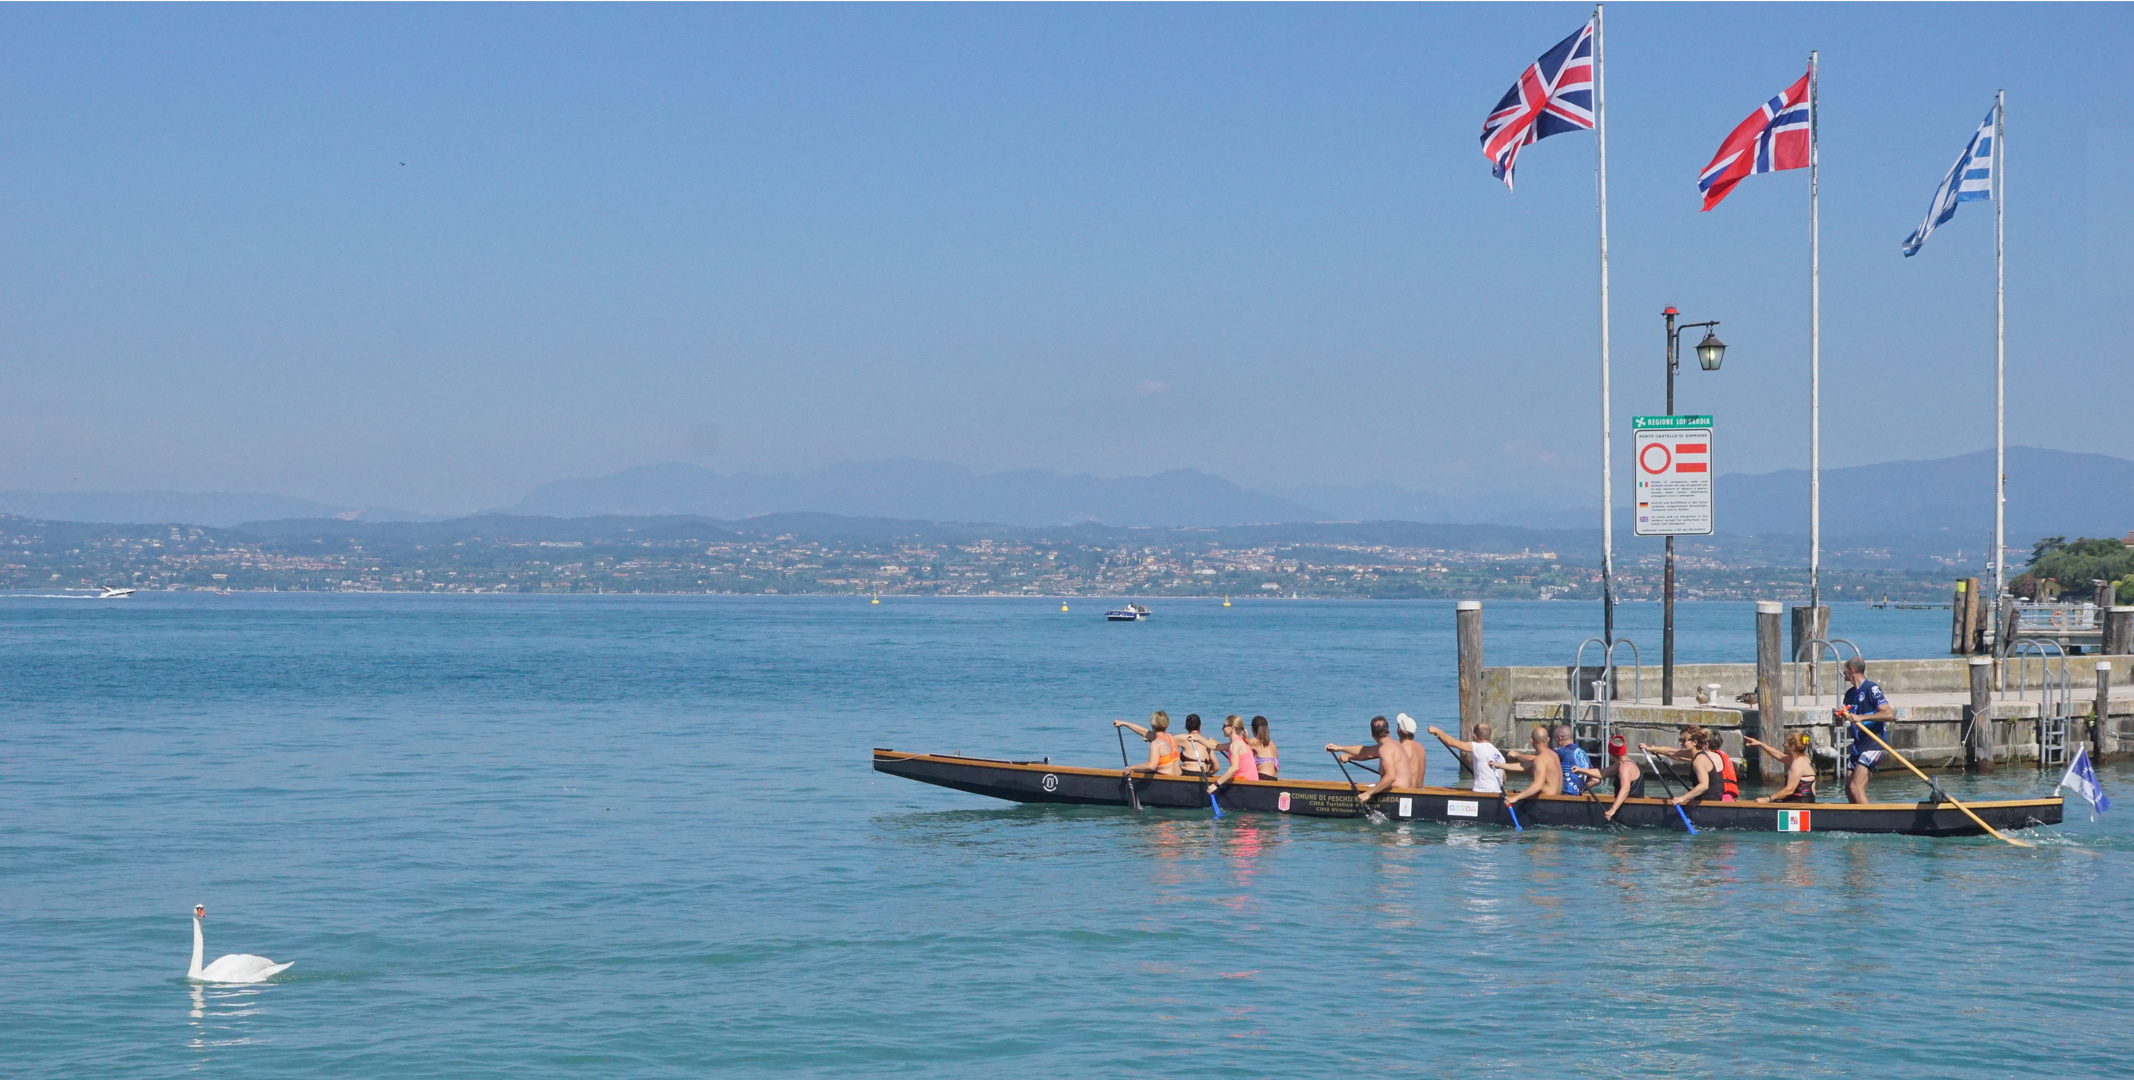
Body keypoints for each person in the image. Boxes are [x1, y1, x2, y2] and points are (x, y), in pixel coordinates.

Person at [1835, 656, 1894, 805]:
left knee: (1856, 787)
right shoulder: (1849, 694)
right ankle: (1855, 817)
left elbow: (1888, 714)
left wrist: (1860, 717)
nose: (1844, 673)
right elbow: (1840, 722)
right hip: (1858, 746)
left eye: (1845, 670)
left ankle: (1872, 820)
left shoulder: (1871, 689)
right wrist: (1839, 716)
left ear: (1852, 670)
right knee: (1849, 788)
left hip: (1874, 745)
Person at [1327, 716, 1416, 806]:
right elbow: (1365, 751)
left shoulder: (1385, 749)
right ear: (1388, 732)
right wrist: (1339, 748)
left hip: (1398, 796)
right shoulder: (1394, 744)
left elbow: (1391, 776)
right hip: (1407, 792)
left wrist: (1368, 794)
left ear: (1372, 735)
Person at [1643, 726, 1736, 805]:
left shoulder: (1699, 760)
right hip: (1704, 801)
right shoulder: (1697, 755)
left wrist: (1682, 798)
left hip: (1709, 803)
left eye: (1684, 740)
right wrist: (1651, 749)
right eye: (1680, 740)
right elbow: (1673, 752)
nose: (1681, 743)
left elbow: (1704, 785)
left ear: (1695, 742)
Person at [1573, 733, 1645, 821]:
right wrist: (1580, 770)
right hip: (1632, 806)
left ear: (1611, 754)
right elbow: (1601, 773)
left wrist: (1612, 810)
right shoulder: (1622, 764)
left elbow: (1625, 789)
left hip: (1632, 807)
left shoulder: (1625, 767)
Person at [1429, 721, 1507, 794]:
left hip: (1482, 792)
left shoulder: (1477, 747)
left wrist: (1437, 731)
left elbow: (1450, 742)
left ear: (1474, 736)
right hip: (1498, 792)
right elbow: (1504, 779)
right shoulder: (1499, 755)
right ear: (1489, 736)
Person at [1502, 724, 1563, 808]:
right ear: (1548, 739)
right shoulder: (1554, 755)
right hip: (1558, 801)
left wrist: (1515, 798)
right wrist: (1499, 765)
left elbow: (1538, 785)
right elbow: (1523, 766)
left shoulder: (1541, 759)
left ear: (1532, 740)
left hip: (1546, 804)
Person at [1746, 731, 1818, 803]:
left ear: (1792, 747)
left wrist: (1767, 799)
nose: (1783, 745)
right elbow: (1779, 756)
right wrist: (1760, 744)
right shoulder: (1804, 758)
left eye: (1785, 743)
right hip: (1801, 801)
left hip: (1799, 804)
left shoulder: (1797, 764)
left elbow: (1789, 790)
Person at [1113, 712, 1183, 777]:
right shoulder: (1170, 737)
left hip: (1165, 779)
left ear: (1152, 725)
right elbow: (1144, 732)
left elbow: (1151, 766)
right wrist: (1124, 723)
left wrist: (1131, 768)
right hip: (1179, 777)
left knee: (1137, 771)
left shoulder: (1156, 743)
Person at [1207, 716, 1262, 794]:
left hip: (1245, 785)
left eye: (1224, 726)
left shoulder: (1235, 744)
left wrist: (1216, 784)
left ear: (1232, 728)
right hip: (1250, 783)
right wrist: (1198, 739)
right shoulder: (1240, 741)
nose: (1222, 729)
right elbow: (1216, 747)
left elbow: (1234, 768)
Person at [1552, 724, 1592, 796]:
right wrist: (1579, 788)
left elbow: (1542, 759)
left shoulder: (1562, 750)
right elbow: (1595, 780)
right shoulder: (1584, 754)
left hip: (1564, 794)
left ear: (1559, 738)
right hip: (1576, 795)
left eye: (1554, 738)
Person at [1247, 715, 1280, 780]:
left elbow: (1235, 745)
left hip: (1263, 778)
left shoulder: (1255, 742)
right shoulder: (1272, 744)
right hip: (1274, 779)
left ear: (1251, 728)